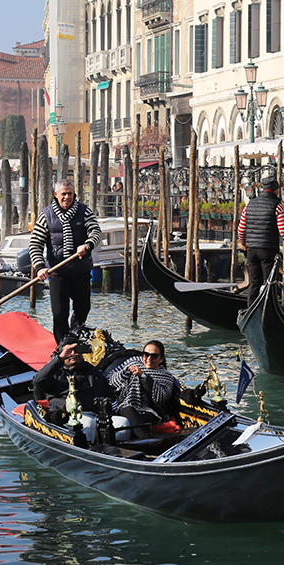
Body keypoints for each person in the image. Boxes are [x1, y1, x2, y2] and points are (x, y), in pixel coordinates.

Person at [30, 178, 103, 343]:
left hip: (81, 271)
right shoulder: (46, 215)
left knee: (83, 309)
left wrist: (87, 244)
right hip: (57, 273)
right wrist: (40, 267)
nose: (67, 197)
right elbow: (35, 244)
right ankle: (62, 347)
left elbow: (96, 232)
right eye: (63, 194)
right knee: (59, 314)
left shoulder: (84, 211)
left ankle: (74, 338)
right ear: (56, 194)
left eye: (70, 194)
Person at [236, 171, 284, 303]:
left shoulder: (249, 205)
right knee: (270, 282)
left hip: (251, 250)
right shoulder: (277, 206)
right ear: (276, 190)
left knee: (254, 282)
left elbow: (241, 229)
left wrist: (244, 243)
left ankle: (250, 308)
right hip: (268, 250)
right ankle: (268, 308)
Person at [109, 340, 183, 439]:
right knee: (129, 410)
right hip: (126, 406)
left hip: (151, 411)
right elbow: (111, 380)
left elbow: (161, 398)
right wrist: (125, 373)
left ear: (161, 359)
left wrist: (143, 376)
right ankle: (146, 439)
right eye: (146, 355)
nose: (149, 359)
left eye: (154, 356)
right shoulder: (133, 362)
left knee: (137, 417)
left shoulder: (166, 376)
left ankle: (145, 439)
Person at [31, 334, 112, 425]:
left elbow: (107, 393)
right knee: (89, 423)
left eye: (77, 350)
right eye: (69, 351)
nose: (74, 354)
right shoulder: (55, 373)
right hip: (65, 416)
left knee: (124, 423)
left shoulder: (92, 371)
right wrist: (60, 358)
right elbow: (38, 381)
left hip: (97, 413)